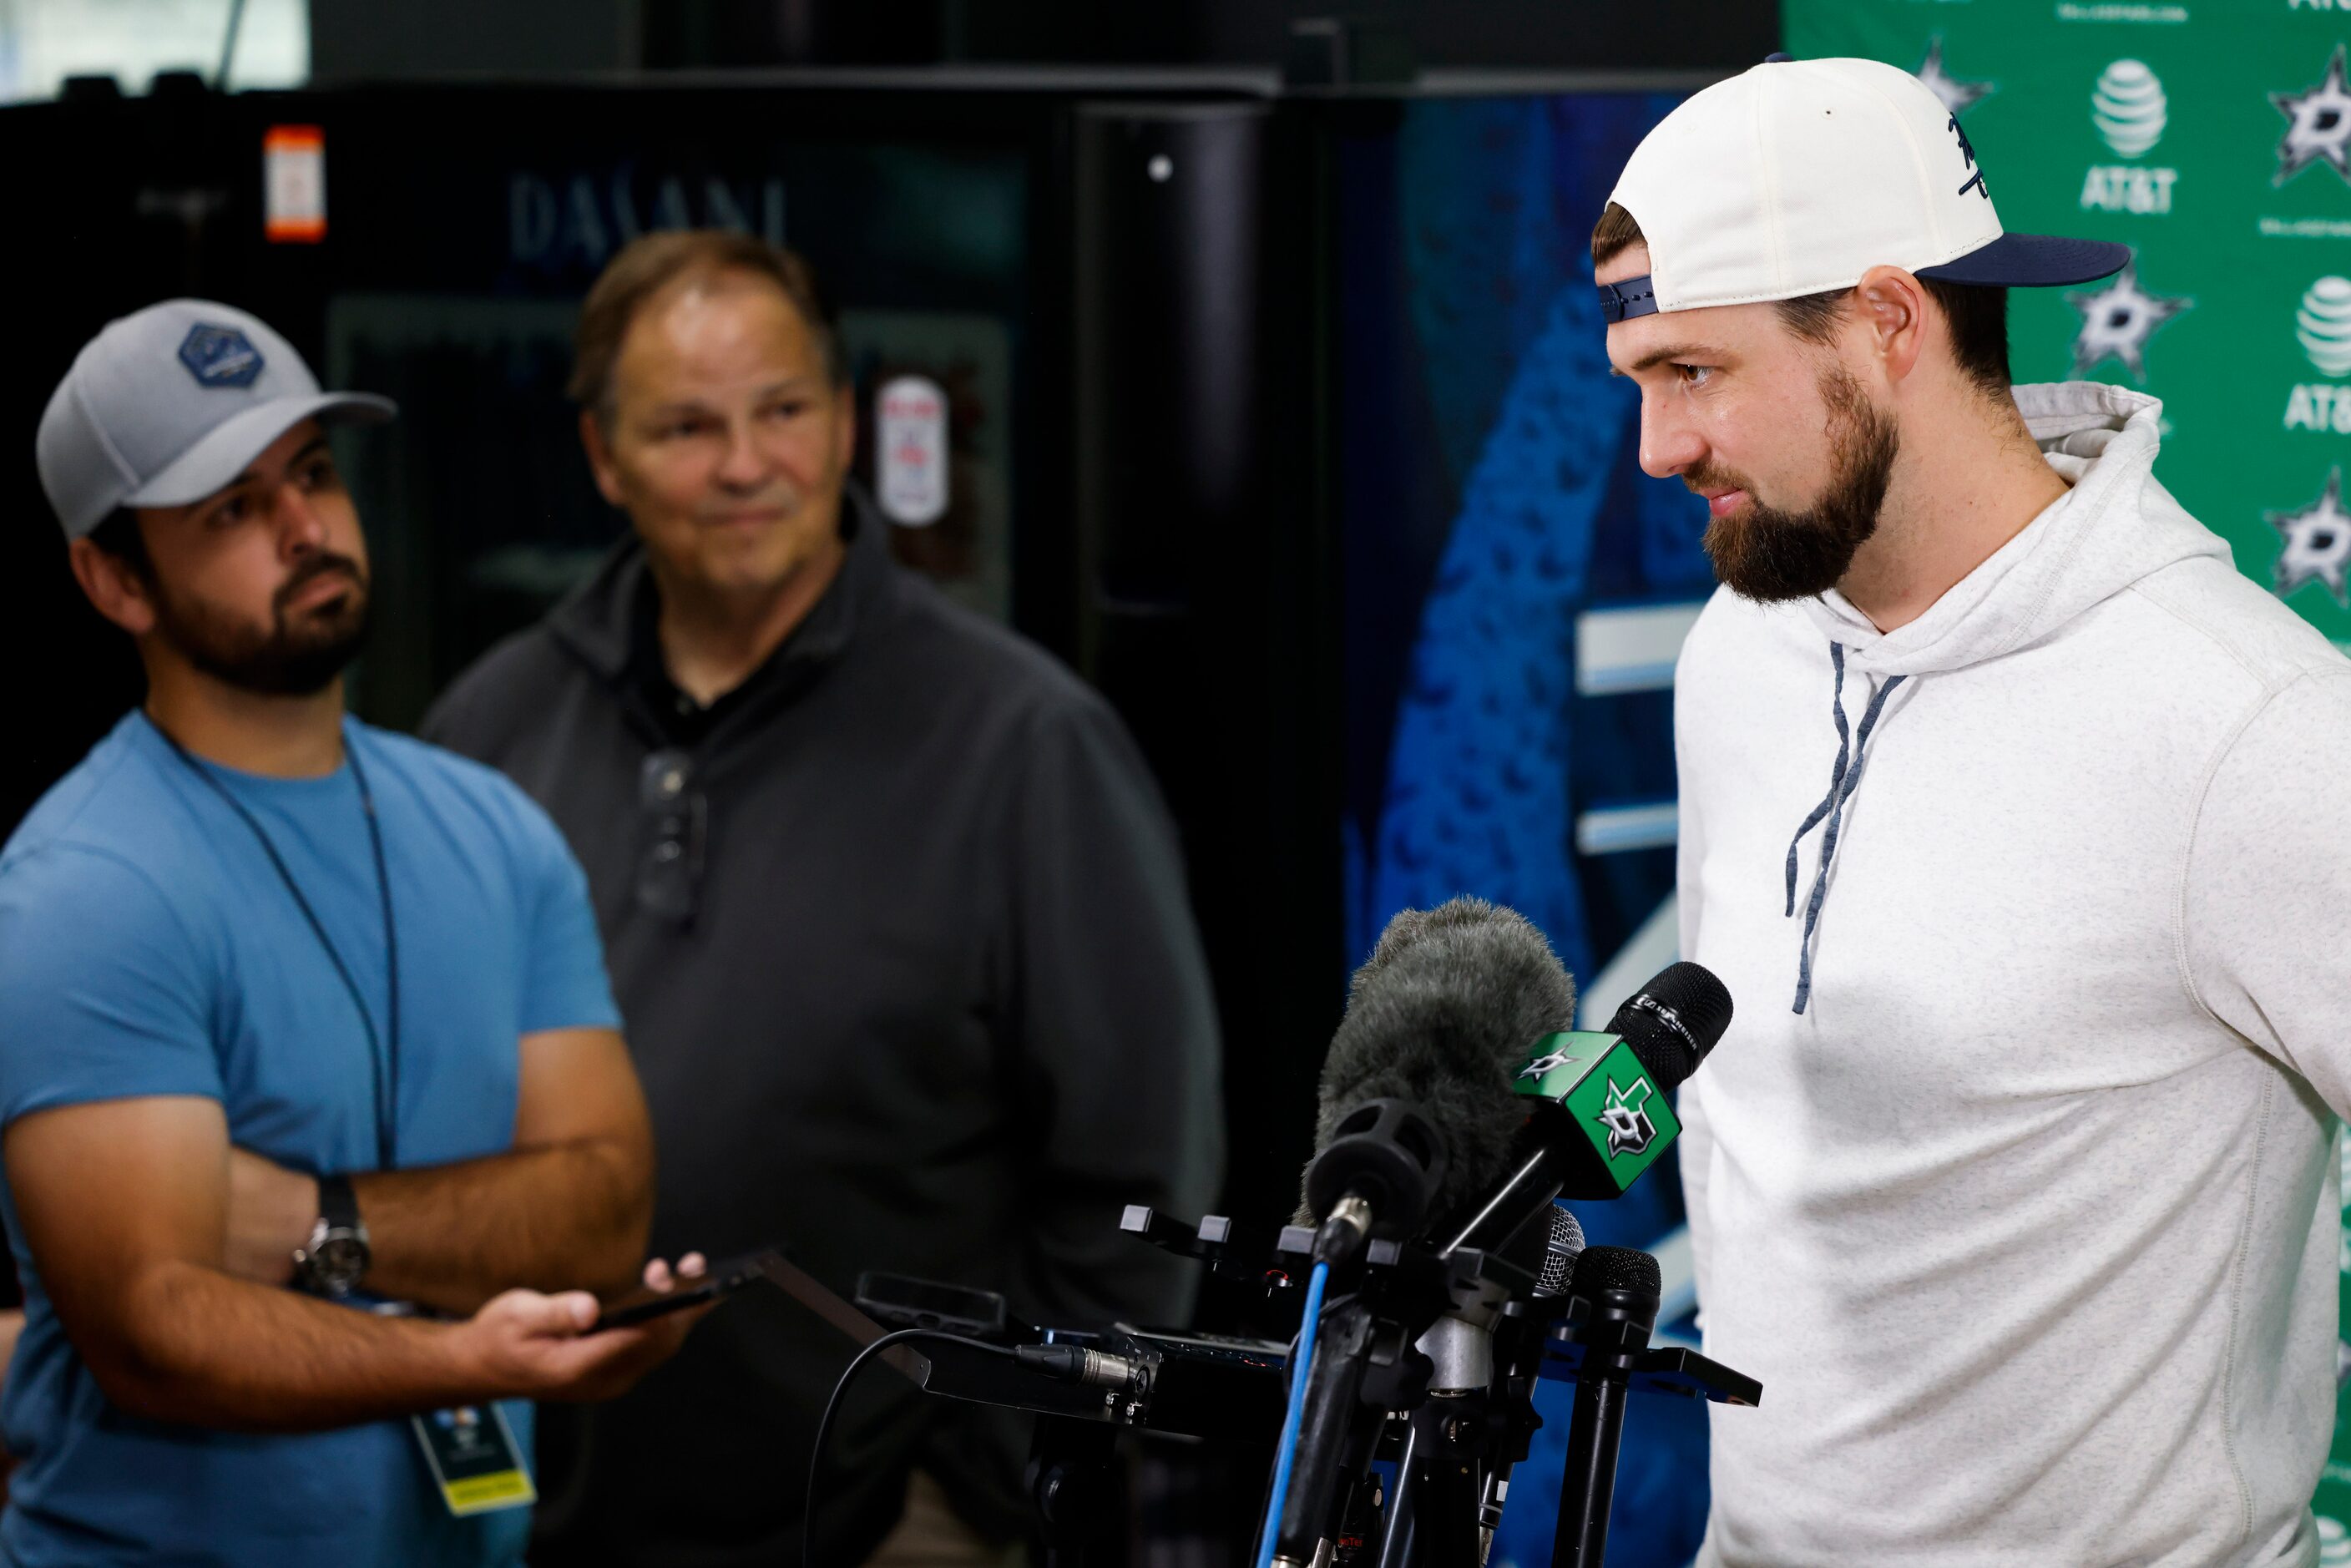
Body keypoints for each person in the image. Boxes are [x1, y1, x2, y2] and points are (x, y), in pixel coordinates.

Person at [1599, 56, 2351, 1567]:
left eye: (1696, 372)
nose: (1658, 451)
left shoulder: (2247, 727)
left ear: (1886, 320)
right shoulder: (1736, 654)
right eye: (1639, 384)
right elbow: (1740, 1102)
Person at [423, 230, 1223, 1565]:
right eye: (687, 425)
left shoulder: (1022, 744)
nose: (747, 464)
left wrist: (984, 1479)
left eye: (783, 410)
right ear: (604, 458)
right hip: (544, 1518)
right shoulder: (489, 729)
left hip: (888, 1525)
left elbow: (1139, 1181)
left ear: (846, 422)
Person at [0, 299, 708, 1567]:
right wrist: (463, 1351)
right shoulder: (84, 884)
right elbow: (154, 1329)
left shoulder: (494, 830)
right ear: (114, 580)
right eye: (229, 507)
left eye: (313, 474)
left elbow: (603, 1210)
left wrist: (302, 1218)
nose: (303, 526)